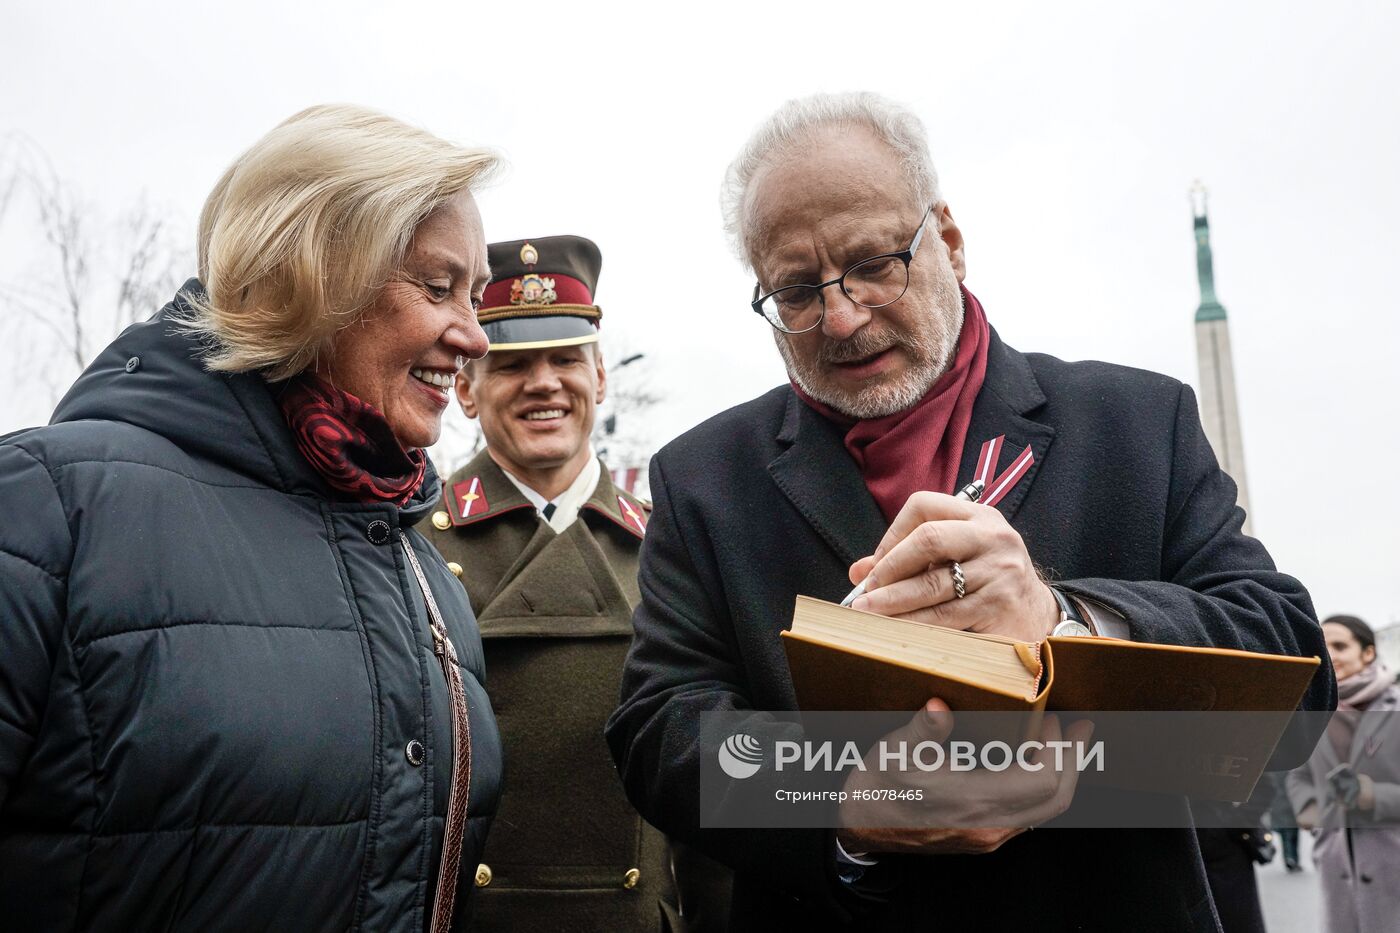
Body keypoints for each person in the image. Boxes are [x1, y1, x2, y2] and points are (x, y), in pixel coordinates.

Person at [605, 92, 1335, 931]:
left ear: (947, 239)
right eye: (797, 291)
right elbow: (659, 730)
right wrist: (841, 803)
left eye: (874, 262)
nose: (842, 318)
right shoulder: (703, 477)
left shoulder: (1138, 422)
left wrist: (1066, 622)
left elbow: (1293, 686)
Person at [0, 105, 503, 931]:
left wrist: (796, 787)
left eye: (474, 296)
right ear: (310, 270)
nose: (476, 337)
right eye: (438, 286)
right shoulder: (49, 508)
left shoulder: (421, 570)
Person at [426, 235, 730, 932]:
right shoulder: (414, 548)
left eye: (566, 359)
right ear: (467, 390)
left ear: (600, 377)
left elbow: (714, 791)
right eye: (512, 365)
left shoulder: (674, 551)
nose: (544, 382)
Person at [1288, 615, 1400, 933]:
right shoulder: (1314, 714)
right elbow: (1299, 776)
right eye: (1325, 646)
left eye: (1341, 646)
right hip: (1337, 868)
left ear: (1368, 653)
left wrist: (1372, 796)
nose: (1331, 655)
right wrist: (1309, 809)